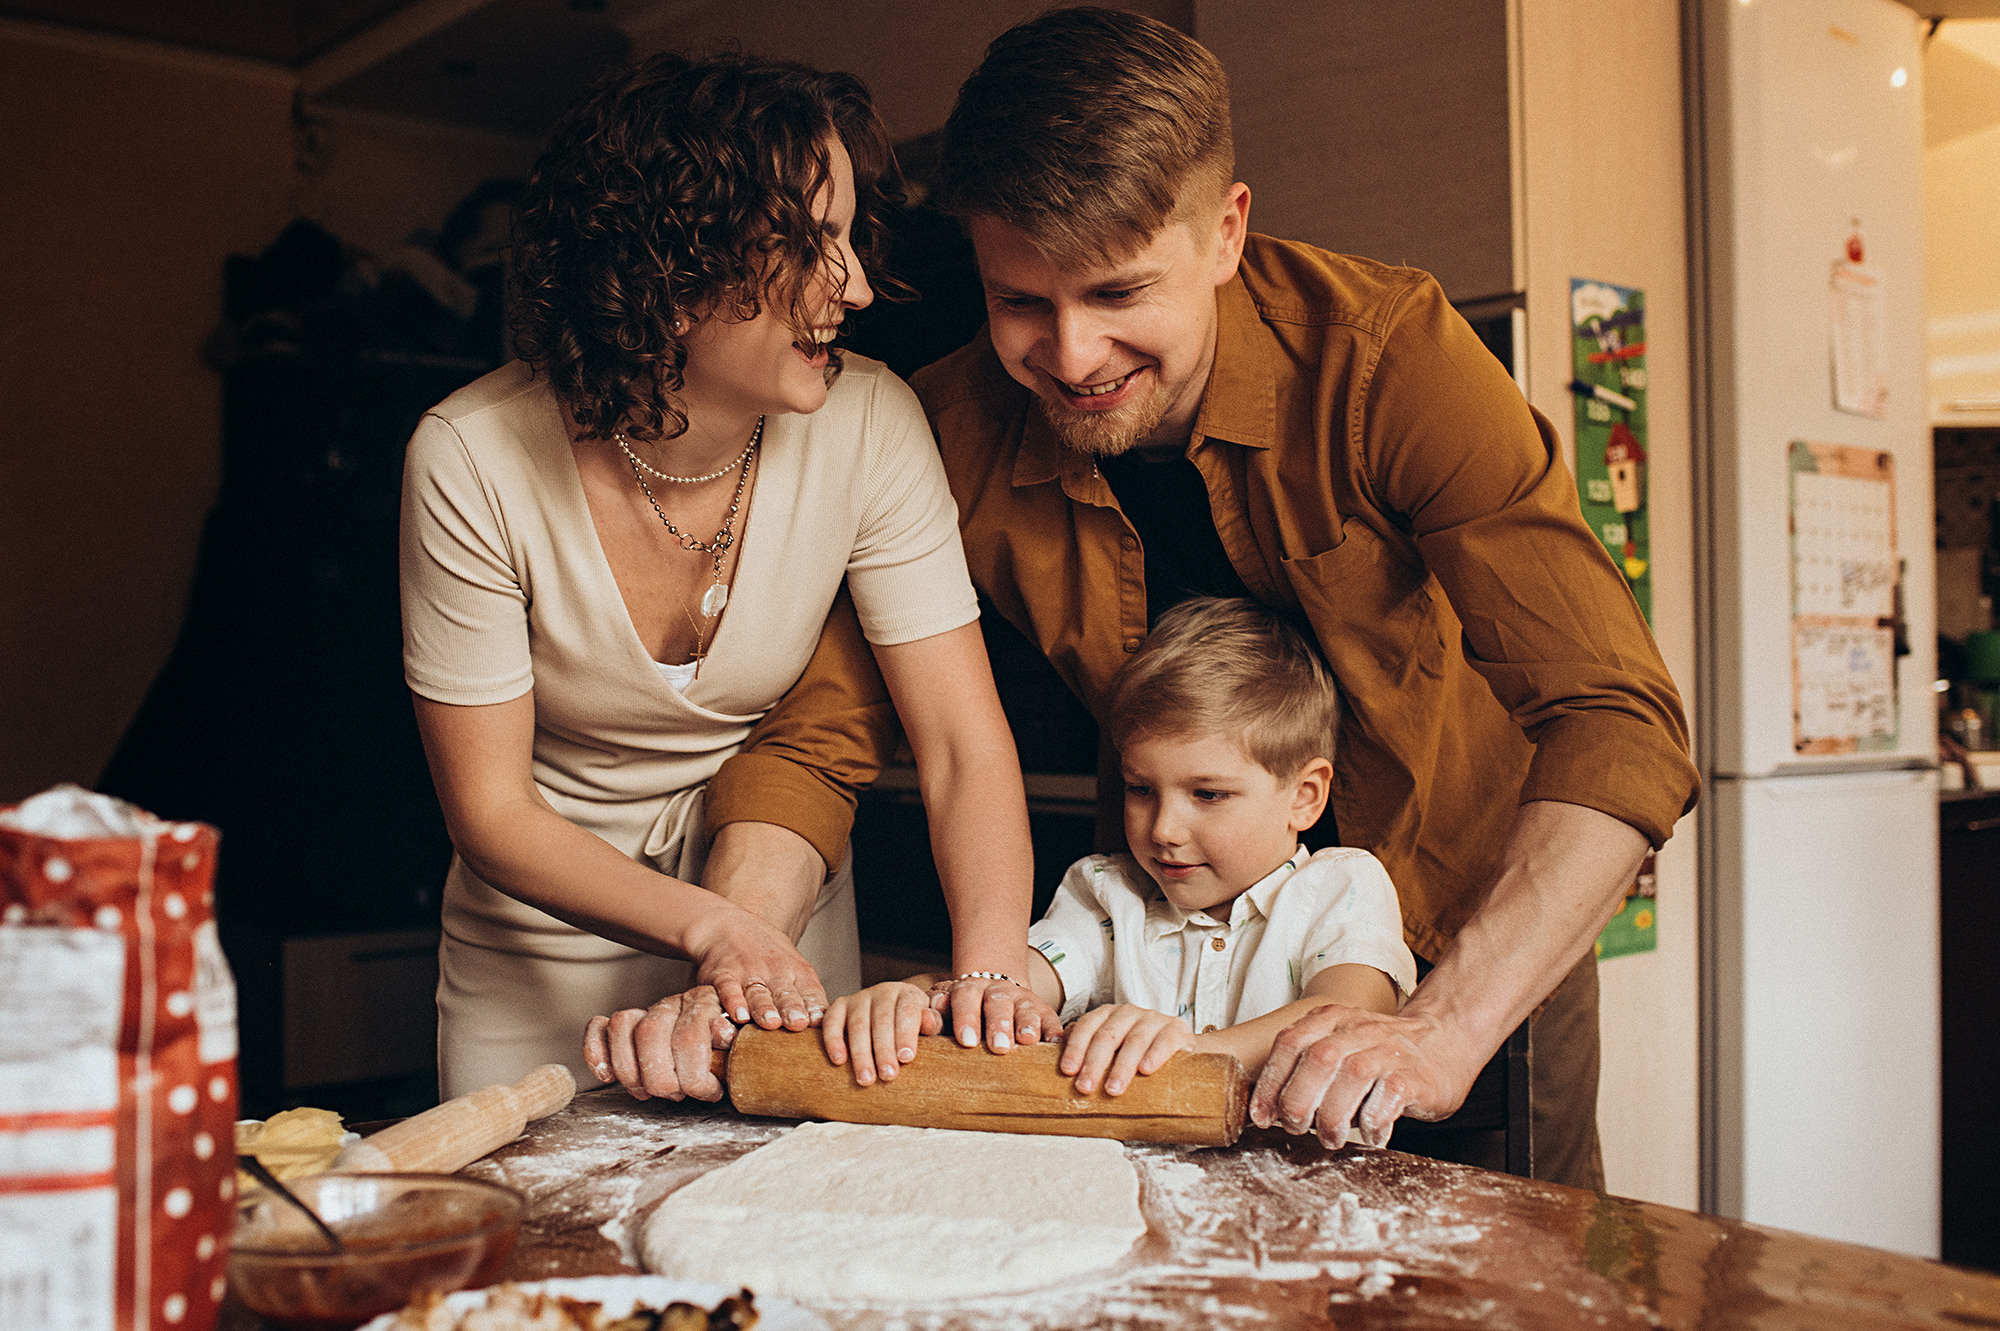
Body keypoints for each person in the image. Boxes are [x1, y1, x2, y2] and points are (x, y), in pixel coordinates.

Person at [691, 8, 1699, 1189]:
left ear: (1223, 233)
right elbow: (816, 736)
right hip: (1163, 987)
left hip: (1461, 950)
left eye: (1119, 291)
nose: (1071, 355)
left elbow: (1614, 717)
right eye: (1020, 301)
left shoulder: (1394, 357)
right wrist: (737, 959)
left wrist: (1444, 1023)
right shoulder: (945, 425)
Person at [400, 51, 1057, 1100]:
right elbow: (491, 810)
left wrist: (990, 970)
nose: (852, 285)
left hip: (782, 941)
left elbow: (961, 744)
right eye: (809, 243)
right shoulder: (469, 456)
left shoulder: (873, 423)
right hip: (538, 958)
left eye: (848, 237)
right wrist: (715, 930)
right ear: (669, 261)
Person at [820, 598, 1418, 1097]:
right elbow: (1012, 986)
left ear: (1305, 796)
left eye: (1207, 794)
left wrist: (1195, 1052)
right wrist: (920, 1002)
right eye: (1140, 789)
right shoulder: (1107, 894)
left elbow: (1348, 1015)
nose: (1163, 829)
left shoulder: (1343, 887)